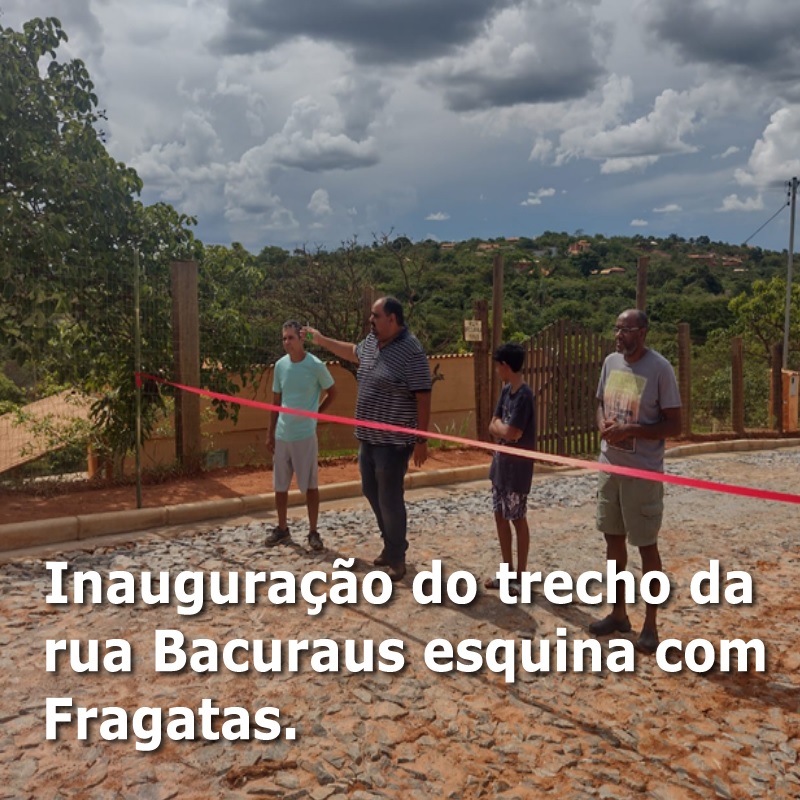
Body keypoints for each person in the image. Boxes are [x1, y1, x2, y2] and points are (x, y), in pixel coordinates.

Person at [303, 297, 432, 580]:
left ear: (392, 319)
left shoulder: (412, 351)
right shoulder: (373, 342)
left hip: (393, 442)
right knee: (371, 492)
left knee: (389, 498)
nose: (370, 320)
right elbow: (352, 351)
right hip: (368, 438)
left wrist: (421, 440)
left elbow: (423, 395)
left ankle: (397, 557)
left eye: (375, 316)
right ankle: (392, 545)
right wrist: (322, 340)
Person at [590, 308, 681, 654]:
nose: (618, 335)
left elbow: (674, 425)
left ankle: (651, 626)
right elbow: (599, 403)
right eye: (616, 328)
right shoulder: (611, 362)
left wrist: (632, 430)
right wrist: (602, 425)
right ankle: (618, 614)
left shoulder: (660, 369)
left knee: (646, 547)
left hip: (642, 472)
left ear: (642, 332)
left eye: (625, 329)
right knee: (613, 542)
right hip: (610, 467)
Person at [265, 320, 337, 551]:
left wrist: (316, 414)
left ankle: (313, 531)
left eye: (291, 338)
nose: (287, 342)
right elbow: (276, 402)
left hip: (305, 435)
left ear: (301, 338)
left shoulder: (315, 365)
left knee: (310, 485)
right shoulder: (280, 366)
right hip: (283, 434)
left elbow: (333, 392)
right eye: (284, 338)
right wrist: (270, 433)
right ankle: (282, 528)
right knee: (280, 485)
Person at [484, 343, 536, 598]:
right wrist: (502, 429)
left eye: (498, 365)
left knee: (517, 519)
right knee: (500, 517)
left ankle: (522, 577)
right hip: (500, 467)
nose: (496, 370)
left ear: (505, 366)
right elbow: (493, 424)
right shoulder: (506, 392)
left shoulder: (524, 396)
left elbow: (513, 433)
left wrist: (501, 429)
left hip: (517, 470)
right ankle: (508, 571)